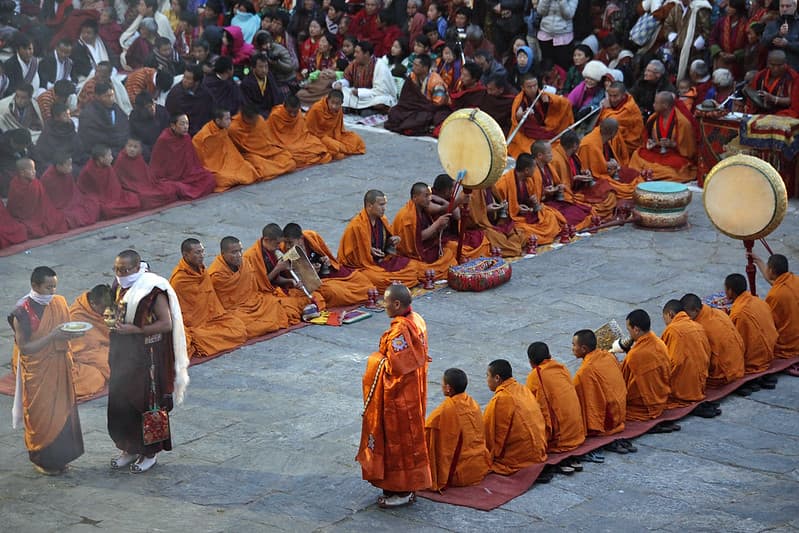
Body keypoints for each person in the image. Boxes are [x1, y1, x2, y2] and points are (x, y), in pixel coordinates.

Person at [107, 249, 188, 474]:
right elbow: (113, 311)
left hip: (147, 359)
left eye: (124, 269)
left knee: (146, 405)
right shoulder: (117, 285)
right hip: (122, 355)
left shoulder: (152, 290)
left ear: (136, 267)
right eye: (116, 269)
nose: (120, 273)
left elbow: (166, 324)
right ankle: (128, 449)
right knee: (121, 405)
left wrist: (137, 330)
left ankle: (149, 454)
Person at [357, 284, 432, 508]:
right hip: (414, 391)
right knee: (411, 439)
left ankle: (399, 490)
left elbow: (395, 367)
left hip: (399, 397)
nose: (383, 305)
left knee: (397, 443)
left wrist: (375, 360)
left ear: (397, 304)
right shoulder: (416, 319)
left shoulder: (400, 331)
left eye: (386, 302)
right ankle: (408, 487)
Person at [9, 266, 85, 475]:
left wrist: (72, 335)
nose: (52, 292)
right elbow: (25, 348)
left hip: (59, 365)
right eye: (48, 287)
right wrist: (52, 336)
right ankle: (42, 460)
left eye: (54, 287)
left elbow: (66, 330)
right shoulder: (22, 312)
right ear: (35, 286)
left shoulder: (58, 302)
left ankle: (61, 458)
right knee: (41, 415)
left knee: (63, 411)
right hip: (38, 371)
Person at [169, 239, 248, 358]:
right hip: (194, 325)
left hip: (212, 318)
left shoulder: (202, 270)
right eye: (197, 253)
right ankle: (199, 340)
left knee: (238, 328)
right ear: (186, 255)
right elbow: (180, 311)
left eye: (202, 252)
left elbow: (210, 300)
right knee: (199, 338)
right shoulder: (179, 280)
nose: (202, 256)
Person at [337, 189, 423, 290]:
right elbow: (351, 260)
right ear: (369, 206)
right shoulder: (356, 226)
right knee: (379, 279)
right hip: (364, 266)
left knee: (414, 266)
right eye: (381, 205)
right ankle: (397, 283)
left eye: (384, 205)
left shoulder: (382, 220)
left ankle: (399, 281)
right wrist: (368, 251)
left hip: (381, 261)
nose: (384, 208)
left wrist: (391, 241)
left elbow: (385, 244)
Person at [207, 236, 291, 337]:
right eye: (234, 252)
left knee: (274, 304)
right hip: (234, 310)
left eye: (240, 251)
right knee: (237, 325)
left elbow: (253, 288)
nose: (239, 255)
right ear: (223, 253)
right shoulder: (217, 274)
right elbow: (223, 304)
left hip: (253, 302)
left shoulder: (244, 263)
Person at [424, 368, 490, 491]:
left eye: (442, 384)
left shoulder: (444, 411)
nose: (441, 386)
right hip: (480, 467)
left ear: (448, 388)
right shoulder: (473, 403)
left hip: (459, 474)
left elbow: (427, 436)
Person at [242, 224, 324, 322]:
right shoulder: (252, 256)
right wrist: (277, 269)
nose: (279, 247)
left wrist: (291, 281)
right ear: (267, 240)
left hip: (277, 290)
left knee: (315, 296)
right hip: (262, 295)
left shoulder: (274, 250)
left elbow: (277, 278)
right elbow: (259, 285)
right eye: (277, 244)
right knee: (284, 310)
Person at [282, 223, 373, 306]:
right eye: (285, 242)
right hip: (315, 284)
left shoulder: (311, 237)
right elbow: (292, 277)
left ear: (301, 239)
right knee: (335, 292)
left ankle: (368, 292)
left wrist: (325, 260)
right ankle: (365, 295)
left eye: (290, 242)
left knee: (361, 279)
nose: (287, 246)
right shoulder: (285, 251)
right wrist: (311, 272)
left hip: (327, 275)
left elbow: (324, 255)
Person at [483, 359, 548, 475]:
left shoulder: (501, 399)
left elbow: (489, 435)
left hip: (521, 458)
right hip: (539, 450)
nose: (486, 379)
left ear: (497, 378)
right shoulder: (523, 389)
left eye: (487, 376)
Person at [525, 342, 585, 467]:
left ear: (531, 362)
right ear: (550, 356)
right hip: (578, 432)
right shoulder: (561, 367)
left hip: (561, 439)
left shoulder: (535, 376)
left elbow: (532, 409)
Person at [618, 309, 674, 429]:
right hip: (662, 398)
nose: (629, 333)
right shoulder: (660, 343)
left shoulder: (635, 355)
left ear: (636, 330)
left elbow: (622, 381)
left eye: (629, 330)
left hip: (643, 406)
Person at [392, 182, 460, 279]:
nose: (430, 199)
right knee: (413, 269)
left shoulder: (422, 209)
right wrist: (437, 224)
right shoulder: (407, 216)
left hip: (427, 248)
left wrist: (440, 227)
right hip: (413, 254)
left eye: (430, 195)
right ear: (415, 197)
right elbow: (419, 238)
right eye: (426, 196)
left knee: (450, 254)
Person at [494, 154, 567, 245]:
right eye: (534, 168)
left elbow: (532, 201)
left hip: (526, 215)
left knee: (550, 216)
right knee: (522, 231)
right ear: (526, 170)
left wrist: (533, 202)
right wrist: (516, 208)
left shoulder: (528, 180)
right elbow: (499, 210)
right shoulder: (503, 184)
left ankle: (541, 235)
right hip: (514, 219)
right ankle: (538, 237)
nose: (535, 171)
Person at [628, 92, 698, 183]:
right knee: (636, 155)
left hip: (674, 154)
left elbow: (689, 150)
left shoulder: (682, 122)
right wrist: (650, 143)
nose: (653, 105)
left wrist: (673, 144)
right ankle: (653, 173)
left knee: (675, 168)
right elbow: (647, 137)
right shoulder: (653, 118)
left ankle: (653, 173)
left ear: (665, 105)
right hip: (657, 151)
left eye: (656, 103)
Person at [660, 300, 715, 417]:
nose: (666, 324)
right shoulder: (698, 326)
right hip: (701, 384)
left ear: (670, 314)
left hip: (683, 388)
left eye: (665, 319)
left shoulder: (672, 330)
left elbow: (673, 362)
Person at [680, 293, 745, 389]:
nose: (686, 318)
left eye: (688, 315)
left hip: (723, 374)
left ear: (696, 310)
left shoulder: (698, 328)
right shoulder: (718, 312)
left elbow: (700, 359)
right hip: (740, 364)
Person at [572, 329, 627, 441]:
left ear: (583, 349)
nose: (572, 348)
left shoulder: (585, 371)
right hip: (622, 410)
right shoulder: (608, 356)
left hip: (610, 419)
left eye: (574, 345)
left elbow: (575, 397)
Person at [551, 130, 616, 221]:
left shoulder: (572, 155)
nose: (579, 146)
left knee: (609, 192)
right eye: (578, 144)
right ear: (574, 146)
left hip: (580, 188)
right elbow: (559, 185)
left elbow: (576, 170)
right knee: (597, 206)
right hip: (570, 194)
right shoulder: (556, 160)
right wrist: (575, 178)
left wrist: (584, 173)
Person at [150, 113, 216, 200]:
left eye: (187, 123)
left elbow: (193, 163)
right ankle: (183, 190)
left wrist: (191, 174)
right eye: (182, 124)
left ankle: (185, 191)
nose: (186, 127)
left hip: (188, 176)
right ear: (173, 126)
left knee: (209, 178)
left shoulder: (186, 137)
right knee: (172, 189)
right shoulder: (164, 140)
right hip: (171, 178)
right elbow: (156, 166)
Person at [725, 273, 779, 377]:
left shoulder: (739, 313)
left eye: (726, 289)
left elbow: (737, 343)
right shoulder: (759, 301)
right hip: (771, 352)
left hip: (754, 360)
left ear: (730, 291)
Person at [507, 74, 573, 159]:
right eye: (529, 87)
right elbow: (517, 115)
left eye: (535, 85)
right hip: (528, 134)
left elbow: (565, 103)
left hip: (545, 129)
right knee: (527, 150)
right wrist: (523, 114)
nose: (533, 89)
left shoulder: (543, 95)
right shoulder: (520, 99)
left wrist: (550, 101)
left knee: (556, 146)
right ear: (522, 87)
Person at [531, 140, 593, 229]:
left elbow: (558, 183)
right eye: (549, 152)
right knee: (562, 219)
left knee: (582, 211)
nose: (552, 154)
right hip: (543, 206)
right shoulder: (533, 171)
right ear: (540, 155)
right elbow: (533, 197)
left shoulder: (548, 166)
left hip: (554, 202)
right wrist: (544, 193)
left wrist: (558, 188)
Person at [193, 108, 259, 191]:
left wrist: (237, 162)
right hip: (214, 168)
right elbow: (203, 159)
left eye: (230, 118)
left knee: (249, 168)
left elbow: (230, 151)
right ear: (218, 121)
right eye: (227, 119)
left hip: (228, 163)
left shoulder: (223, 130)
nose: (230, 122)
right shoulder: (203, 136)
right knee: (221, 178)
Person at [385, 53, 451, 135]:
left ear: (425, 68)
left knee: (425, 118)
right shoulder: (412, 76)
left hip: (430, 109)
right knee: (394, 112)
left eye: (416, 65)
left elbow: (438, 104)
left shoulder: (436, 82)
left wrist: (421, 107)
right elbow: (405, 98)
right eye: (413, 64)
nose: (413, 67)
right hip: (416, 108)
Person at [578, 118, 643, 200]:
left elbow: (602, 159)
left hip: (609, 172)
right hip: (596, 178)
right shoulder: (589, 145)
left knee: (634, 174)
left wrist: (611, 165)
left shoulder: (602, 135)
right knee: (625, 190)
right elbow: (593, 171)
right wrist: (608, 165)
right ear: (613, 133)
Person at [228, 104, 297, 181]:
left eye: (256, 118)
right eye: (252, 120)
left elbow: (267, 141)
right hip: (252, 155)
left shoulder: (259, 119)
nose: (255, 122)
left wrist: (271, 150)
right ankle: (276, 170)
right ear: (244, 117)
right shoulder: (234, 129)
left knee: (290, 162)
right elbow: (236, 151)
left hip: (268, 152)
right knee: (259, 167)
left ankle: (273, 170)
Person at [68, 284, 113, 400]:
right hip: (85, 353)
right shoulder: (76, 316)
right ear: (93, 304)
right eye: (103, 307)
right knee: (111, 364)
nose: (105, 311)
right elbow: (79, 349)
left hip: (102, 347)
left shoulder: (103, 308)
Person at [263, 94, 332, 168]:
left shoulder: (298, 113)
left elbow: (303, 132)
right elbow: (269, 137)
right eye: (289, 112)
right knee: (288, 154)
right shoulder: (275, 116)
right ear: (284, 107)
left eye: (295, 112)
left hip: (301, 140)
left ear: (299, 108)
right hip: (282, 143)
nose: (292, 115)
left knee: (319, 146)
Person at [751, 253, 799, 359]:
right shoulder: (795, 279)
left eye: (767, 267)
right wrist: (759, 261)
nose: (766, 269)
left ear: (771, 271)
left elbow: (768, 323)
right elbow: (775, 282)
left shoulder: (774, 295)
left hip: (788, 344)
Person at [7, 158, 68, 239]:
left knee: (59, 219)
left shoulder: (36, 184)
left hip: (39, 216)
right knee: (22, 229)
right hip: (23, 218)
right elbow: (13, 206)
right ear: (22, 173)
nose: (34, 171)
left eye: (34, 169)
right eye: (31, 170)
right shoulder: (14, 185)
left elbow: (44, 204)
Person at [465, 179, 527, 257]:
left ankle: (511, 246)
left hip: (496, 224)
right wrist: (486, 210)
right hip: (483, 227)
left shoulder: (490, 186)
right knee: (495, 236)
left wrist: (503, 206)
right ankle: (511, 248)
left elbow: (500, 201)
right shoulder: (473, 191)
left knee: (519, 233)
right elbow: (473, 219)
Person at [77, 145, 142, 219]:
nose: (112, 158)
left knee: (134, 199)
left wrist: (116, 198)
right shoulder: (88, 171)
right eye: (109, 156)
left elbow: (115, 186)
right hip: (99, 199)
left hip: (114, 197)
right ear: (101, 159)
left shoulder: (107, 166)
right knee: (107, 210)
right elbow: (89, 191)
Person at [114, 137, 180, 209]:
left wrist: (147, 185)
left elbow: (146, 175)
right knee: (143, 198)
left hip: (144, 185)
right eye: (129, 146)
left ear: (140, 150)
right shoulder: (121, 158)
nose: (132, 149)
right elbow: (116, 179)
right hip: (129, 188)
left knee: (166, 191)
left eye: (135, 147)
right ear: (125, 146)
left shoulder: (138, 157)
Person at [332, 40, 397, 114]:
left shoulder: (380, 66)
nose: (354, 55)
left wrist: (360, 92)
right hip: (357, 95)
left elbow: (381, 91)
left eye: (357, 52)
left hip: (373, 96)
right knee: (340, 91)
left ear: (366, 54)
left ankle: (362, 109)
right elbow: (348, 79)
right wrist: (340, 84)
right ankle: (359, 109)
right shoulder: (355, 63)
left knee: (381, 101)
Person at [40, 153, 101, 229]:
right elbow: (53, 201)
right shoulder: (48, 178)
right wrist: (68, 206)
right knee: (68, 216)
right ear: (59, 166)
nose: (71, 168)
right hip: (59, 207)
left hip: (72, 202)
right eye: (68, 165)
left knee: (92, 202)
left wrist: (75, 202)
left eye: (71, 164)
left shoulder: (66, 173)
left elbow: (74, 192)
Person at [306, 89, 366, 160]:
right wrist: (330, 141)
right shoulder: (316, 109)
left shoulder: (339, 110)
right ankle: (336, 149)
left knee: (356, 140)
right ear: (328, 100)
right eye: (332, 102)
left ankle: (337, 148)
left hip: (334, 135)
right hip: (319, 136)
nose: (334, 106)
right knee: (335, 147)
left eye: (337, 104)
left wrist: (336, 139)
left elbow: (339, 129)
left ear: (342, 103)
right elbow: (309, 130)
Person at [663, 0, 712, 80]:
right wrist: (673, 38)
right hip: (677, 50)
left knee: (694, 77)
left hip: (695, 52)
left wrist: (698, 43)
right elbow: (668, 24)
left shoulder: (701, 8)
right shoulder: (676, 8)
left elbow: (707, 29)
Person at [78, 83, 130, 155]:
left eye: (112, 95)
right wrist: (113, 139)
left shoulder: (116, 108)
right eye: (107, 96)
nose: (111, 99)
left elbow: (125, 127)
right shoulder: (88, 114)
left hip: (120, 147)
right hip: (100, 152)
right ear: (97, 97)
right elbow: (90, 138)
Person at [745, 50, 799, 117]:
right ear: (768, 63)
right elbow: (751, 100)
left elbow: (794, 102)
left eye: (779, 65)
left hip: (782, 115)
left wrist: (772, 98)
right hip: (761, 112)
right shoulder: (760, 76)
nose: (776, 69)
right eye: (772, 65)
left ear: (786, 64)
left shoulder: (793, 77)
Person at [598, 82, 644, 156]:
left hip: (627, 145)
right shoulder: (611, 102)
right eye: (610, 95)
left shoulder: (630, 107)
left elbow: (611, 122)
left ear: (623, 95)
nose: (612, 99)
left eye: (615, 96)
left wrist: (608, 108)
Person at [165, 65, 211, 136]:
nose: (184, 80)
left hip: (203, 132)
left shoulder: (205, 93)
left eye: (188, 78)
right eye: (184, 77)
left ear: (197, 82)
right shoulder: (175, 94)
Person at [128, 91, 171, 160]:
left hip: (163, 147)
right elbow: (134, 139)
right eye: (148, 107)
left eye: (153, 104)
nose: (152, 108)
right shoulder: (134, 118)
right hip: (146, 151)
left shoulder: (162, 112)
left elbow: (169, 132)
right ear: (141, 109)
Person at [240, 52, 285, 117]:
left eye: (266, 66)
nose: (264, 70)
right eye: (260, 67)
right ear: (253, 68)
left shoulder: (270, 76)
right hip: (257, 115)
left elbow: (277, 96)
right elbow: (248, 105)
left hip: (272, 112)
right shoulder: (246, 83)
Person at [761, 0, 799, 70]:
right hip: (773, 70)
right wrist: (778, 34)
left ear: (795, 7)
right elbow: (763, 43)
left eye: (788, 6)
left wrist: (787, 44)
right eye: (782, 6)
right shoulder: (771, 24)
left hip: (794, 70)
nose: (784, 9)